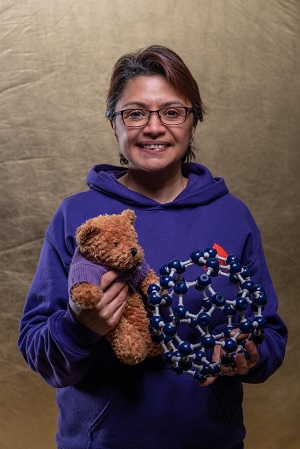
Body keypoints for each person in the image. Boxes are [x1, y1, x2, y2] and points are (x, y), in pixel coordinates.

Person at [18, 45, 287, 449]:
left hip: (211, 440)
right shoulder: (78, 215)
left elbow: (271, 335)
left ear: (193, 123)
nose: (154, 127)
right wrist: (79, 328)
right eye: (135, 112)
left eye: (172, 112)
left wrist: (252, 356)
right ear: (115, 126)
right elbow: (39, 351)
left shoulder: (233, 216)